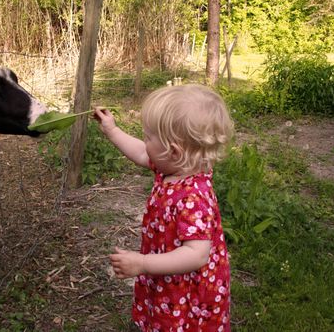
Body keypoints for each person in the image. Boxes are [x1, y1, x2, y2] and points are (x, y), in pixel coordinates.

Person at [93, 84, 234, 332]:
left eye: (148, 137)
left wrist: (143, 264)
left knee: (182, 325)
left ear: (173, 151)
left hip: (187, 287)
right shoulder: (172, 168)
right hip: (169, 275)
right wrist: (112, 130)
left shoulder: (192, 197)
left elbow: (196, 254)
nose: (144, 142)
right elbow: (139, 152)